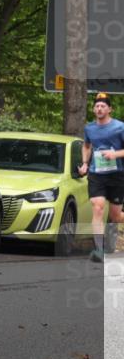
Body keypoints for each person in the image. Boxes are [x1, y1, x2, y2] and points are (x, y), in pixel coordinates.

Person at [78, 92, 124, 263]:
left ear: (110, 109)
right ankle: (99, 249)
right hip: (97, 174)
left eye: (103, 106)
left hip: (117, 175)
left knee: (116, 216)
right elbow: (87, 146)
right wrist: (84, 163)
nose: (99, 108)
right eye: (97, 106)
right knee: (97, 207)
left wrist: (115, 154)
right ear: (93, 109)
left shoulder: (120, 127)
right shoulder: (89, 128)